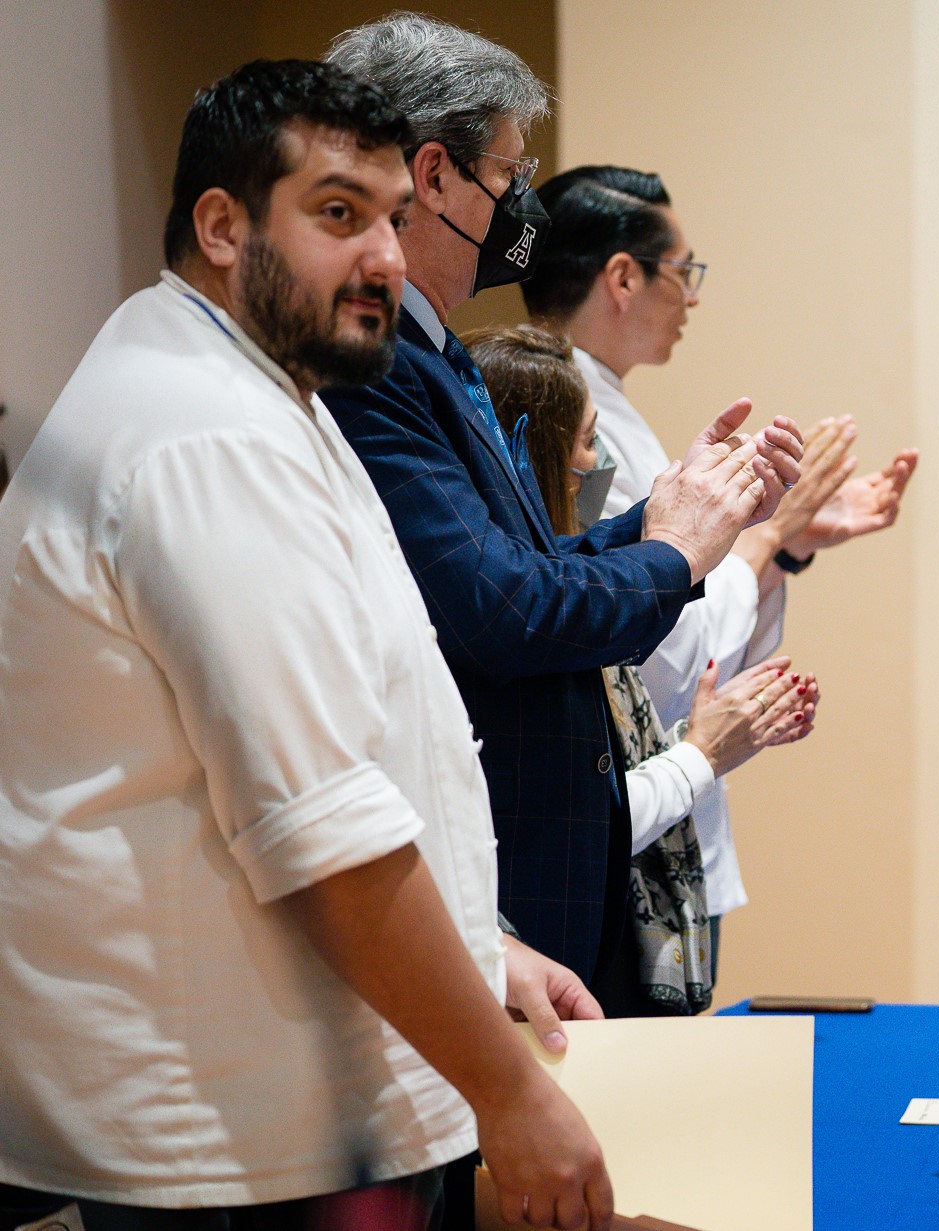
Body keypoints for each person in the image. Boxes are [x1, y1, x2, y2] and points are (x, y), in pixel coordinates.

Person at [0, 60, 612, 1230]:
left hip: (271, 1103)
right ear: (222, 226)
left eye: (392, 216)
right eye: (338, 214)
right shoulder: (204, 434)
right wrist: (503, 1087)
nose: (383, 256)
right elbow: (316, 823)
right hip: (233, 1139)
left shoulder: (252, 390)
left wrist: (479, 946)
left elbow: (361, 738)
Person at [319, 15, 803, 1019]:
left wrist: (663, 522)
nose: (518, 203)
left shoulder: (439, 353)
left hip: (550, 879)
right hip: (500, 874)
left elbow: (529, 564)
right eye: (507, 171)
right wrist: (676, 553)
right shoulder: (375, 368)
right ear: (435, 176)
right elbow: (504, 610)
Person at [522, 166, 916, 953]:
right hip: (616, 812)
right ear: (624, 276)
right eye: (684, 271)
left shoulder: (600, 405)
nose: (693, 297)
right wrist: (768, 536)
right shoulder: (564, 416)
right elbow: (645, 647)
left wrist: (787, 543)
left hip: (653, 801)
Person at [464, 323, 821, 1013]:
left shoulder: (567, 586)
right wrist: (703, 752)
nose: (599, 465)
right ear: (535, 452)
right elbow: (581, 816)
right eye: (589, 439)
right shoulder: (529, 620)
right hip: (554, 968)